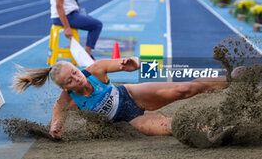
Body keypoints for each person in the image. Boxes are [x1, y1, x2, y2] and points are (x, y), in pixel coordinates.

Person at [12, 58, 229, 140]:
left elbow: (125, 62)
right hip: (129, 120)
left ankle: (233, 79)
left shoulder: (95, 71)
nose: (76, 80)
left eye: (75, 73)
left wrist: (131, 62)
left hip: (133, 95)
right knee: (172, 127)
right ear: (63, 88)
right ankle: (218, 131)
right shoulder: (65, 101)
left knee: (184, 89)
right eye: (69, 82)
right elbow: (56, 124)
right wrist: (55, 130)